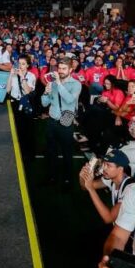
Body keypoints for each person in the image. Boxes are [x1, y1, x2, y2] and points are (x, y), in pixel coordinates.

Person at [41, 56, 81, 188]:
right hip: (52, 122)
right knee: (51, 151)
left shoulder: (76, 84)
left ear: (71, 69)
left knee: (67, 153)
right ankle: (51, 176)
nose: (61, 71)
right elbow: (44, 103)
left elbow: (69, 100)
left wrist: (58, 84)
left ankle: (68, 179)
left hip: (66, 123)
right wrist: (46, 93)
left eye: (64, 68)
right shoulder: (52, 83)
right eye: (59, 68)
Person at [79, 150, 134, 225]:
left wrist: (91, 189)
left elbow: (108, 218)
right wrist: (82, 176)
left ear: (120, 168)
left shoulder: (130, 188)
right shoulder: (110, 179)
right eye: (104, 164)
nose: (104, 168)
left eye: (108, 165)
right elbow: (85, 187)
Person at [8, 55, 37, 162]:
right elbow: (7, 90)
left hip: (26, 104)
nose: (20, 66)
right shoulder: (14, 75)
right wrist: (11, 76)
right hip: (16, 104)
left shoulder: (31, 76)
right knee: (18, 129)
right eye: (19, 63)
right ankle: (20, 152)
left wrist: (22, 77)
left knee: (28, 130)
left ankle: (30, 154)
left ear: (28, 65)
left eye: (23, 64)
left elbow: (28, 91)